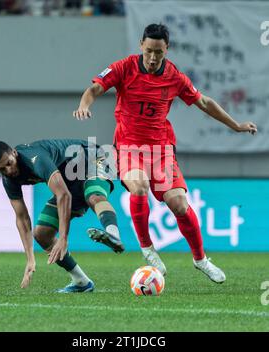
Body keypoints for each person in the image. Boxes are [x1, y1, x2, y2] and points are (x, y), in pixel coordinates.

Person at [73, 23, 258, 283]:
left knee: (179, 204)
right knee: (138, 186)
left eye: (158, 52)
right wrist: (84, 104)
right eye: (148, 50)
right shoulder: (124, 67)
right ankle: (148, 250)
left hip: (161, 149)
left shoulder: (174, 77)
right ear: (141, 45)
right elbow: (94, 89)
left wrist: (236, 126)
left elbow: (203, 102)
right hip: (128, 145)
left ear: (166, 50)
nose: (152, 57)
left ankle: (201, 259)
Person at [0, 138, 124, 293]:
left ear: (14, 153)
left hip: (96, 157)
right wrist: (30, 259)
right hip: (71, 179)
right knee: (42, 234)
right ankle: (81, 281)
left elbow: (63, 195)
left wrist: (63, 238)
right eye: (1, 169)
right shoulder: (9, 180)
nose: (8, 170)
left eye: (9, 163)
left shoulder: (36, 159)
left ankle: (114, 235)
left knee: (94, 196)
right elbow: (22, 218)